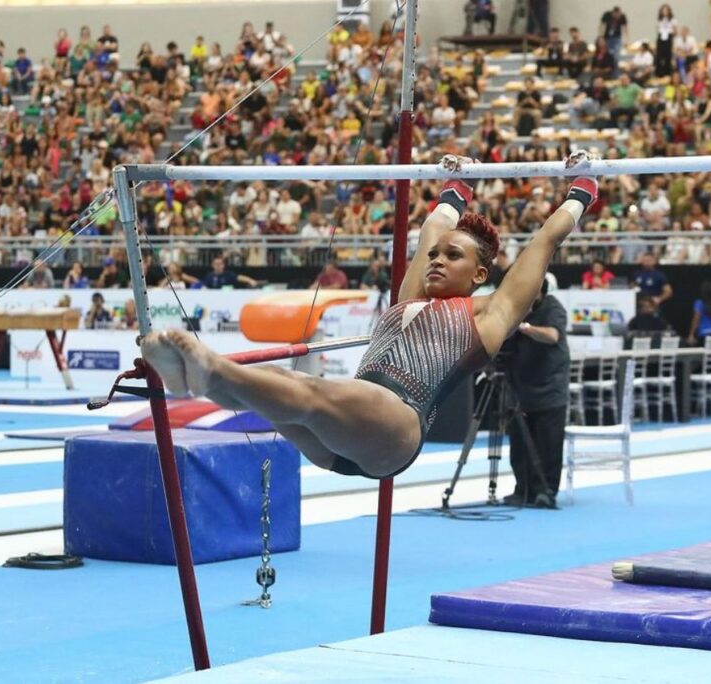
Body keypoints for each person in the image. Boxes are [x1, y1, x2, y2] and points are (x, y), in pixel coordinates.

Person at [140, 154, 598, 480]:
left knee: (308, 390)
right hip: (342, 441)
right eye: (435, 256)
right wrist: (454, 189)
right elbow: (431, 231)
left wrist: (583, 188)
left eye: (452, 257)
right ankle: (200, 379)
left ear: (480, 273)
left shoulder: (491, 314)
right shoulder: (408, 297)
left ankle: (211, 369)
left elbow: (544, 242)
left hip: (395, 427)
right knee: (282, 388)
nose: (436, 260)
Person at [502, 277, 570, 508]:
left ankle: (546, 490)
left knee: (548, 444)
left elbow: (552, 336)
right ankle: (523, 489)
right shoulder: (515, 309)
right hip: (519, 388)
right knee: (519, 445)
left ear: (539, 294)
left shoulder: (552, 307)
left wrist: (524, 327)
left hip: (549, 388)